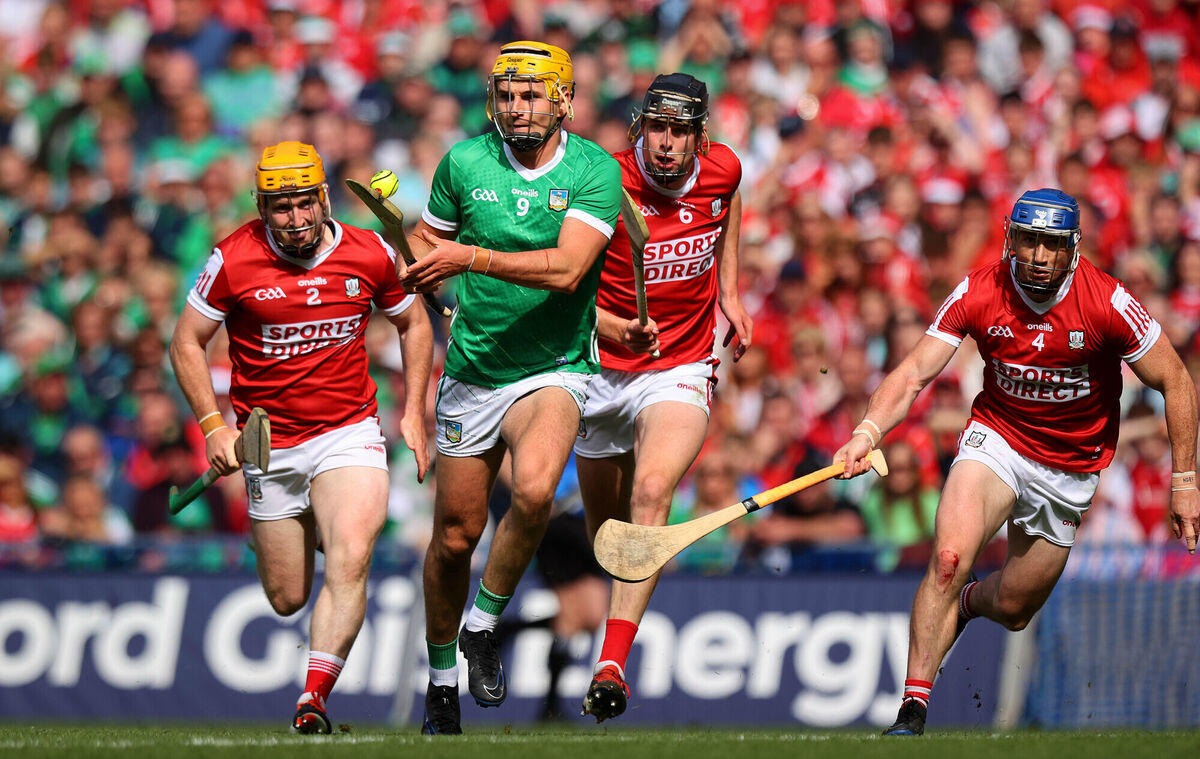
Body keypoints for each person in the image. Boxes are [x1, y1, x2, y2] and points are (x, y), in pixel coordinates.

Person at [833, 188, 1199, 736]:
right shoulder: (981, 289)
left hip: (1070, 468)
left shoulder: (1108, 301)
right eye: (1028, 241)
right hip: (997, 440)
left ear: (1072, 248)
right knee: (949, 557)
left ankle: (968, 604)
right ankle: (912, 711)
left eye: (1051, 245)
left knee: (1014, 608)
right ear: (1011, 239)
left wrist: (1185, 480)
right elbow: (912, 374)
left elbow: (1176, 380)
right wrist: (867, 431)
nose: (1039, 256)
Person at [169, 140, 433, 734]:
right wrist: (213, 426)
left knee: (351, 555)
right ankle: (304, 523)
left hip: (349, 431)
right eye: (280, 207)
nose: (294, 219)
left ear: (324, 198)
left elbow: (414, 322)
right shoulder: (232, 258)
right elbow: (186, 341)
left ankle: (312, 698)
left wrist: (413, 412)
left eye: (304, 203)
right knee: (287, 597)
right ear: (262, 207)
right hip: (269, 444)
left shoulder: (369, 251)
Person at [396, 41, 621, 735]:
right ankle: (441, 684)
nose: (517, 107)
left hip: (556, 364)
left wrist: (469, 257)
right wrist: (419, 266)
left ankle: (484, 622)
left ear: (563, 100)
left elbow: (567, 270)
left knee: (535, 490)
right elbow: (426, 246)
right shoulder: (463, 163)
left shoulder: (594, 169)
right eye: (506, 95)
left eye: (531, 95)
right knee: (454, 538)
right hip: (473, 371)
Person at [571, 72, 753, 722]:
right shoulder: (602, 180)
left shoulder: (723, 168)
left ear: (699, 136)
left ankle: (611, 664)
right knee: (608, 541)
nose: (667, 142)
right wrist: (611, 326)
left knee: (652, 492)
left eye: (680, 130)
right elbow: (564, 283)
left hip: (679, 363)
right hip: (599, 367)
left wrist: (730, 291)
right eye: (657, 128)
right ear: (639, 128)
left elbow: (729, 206)